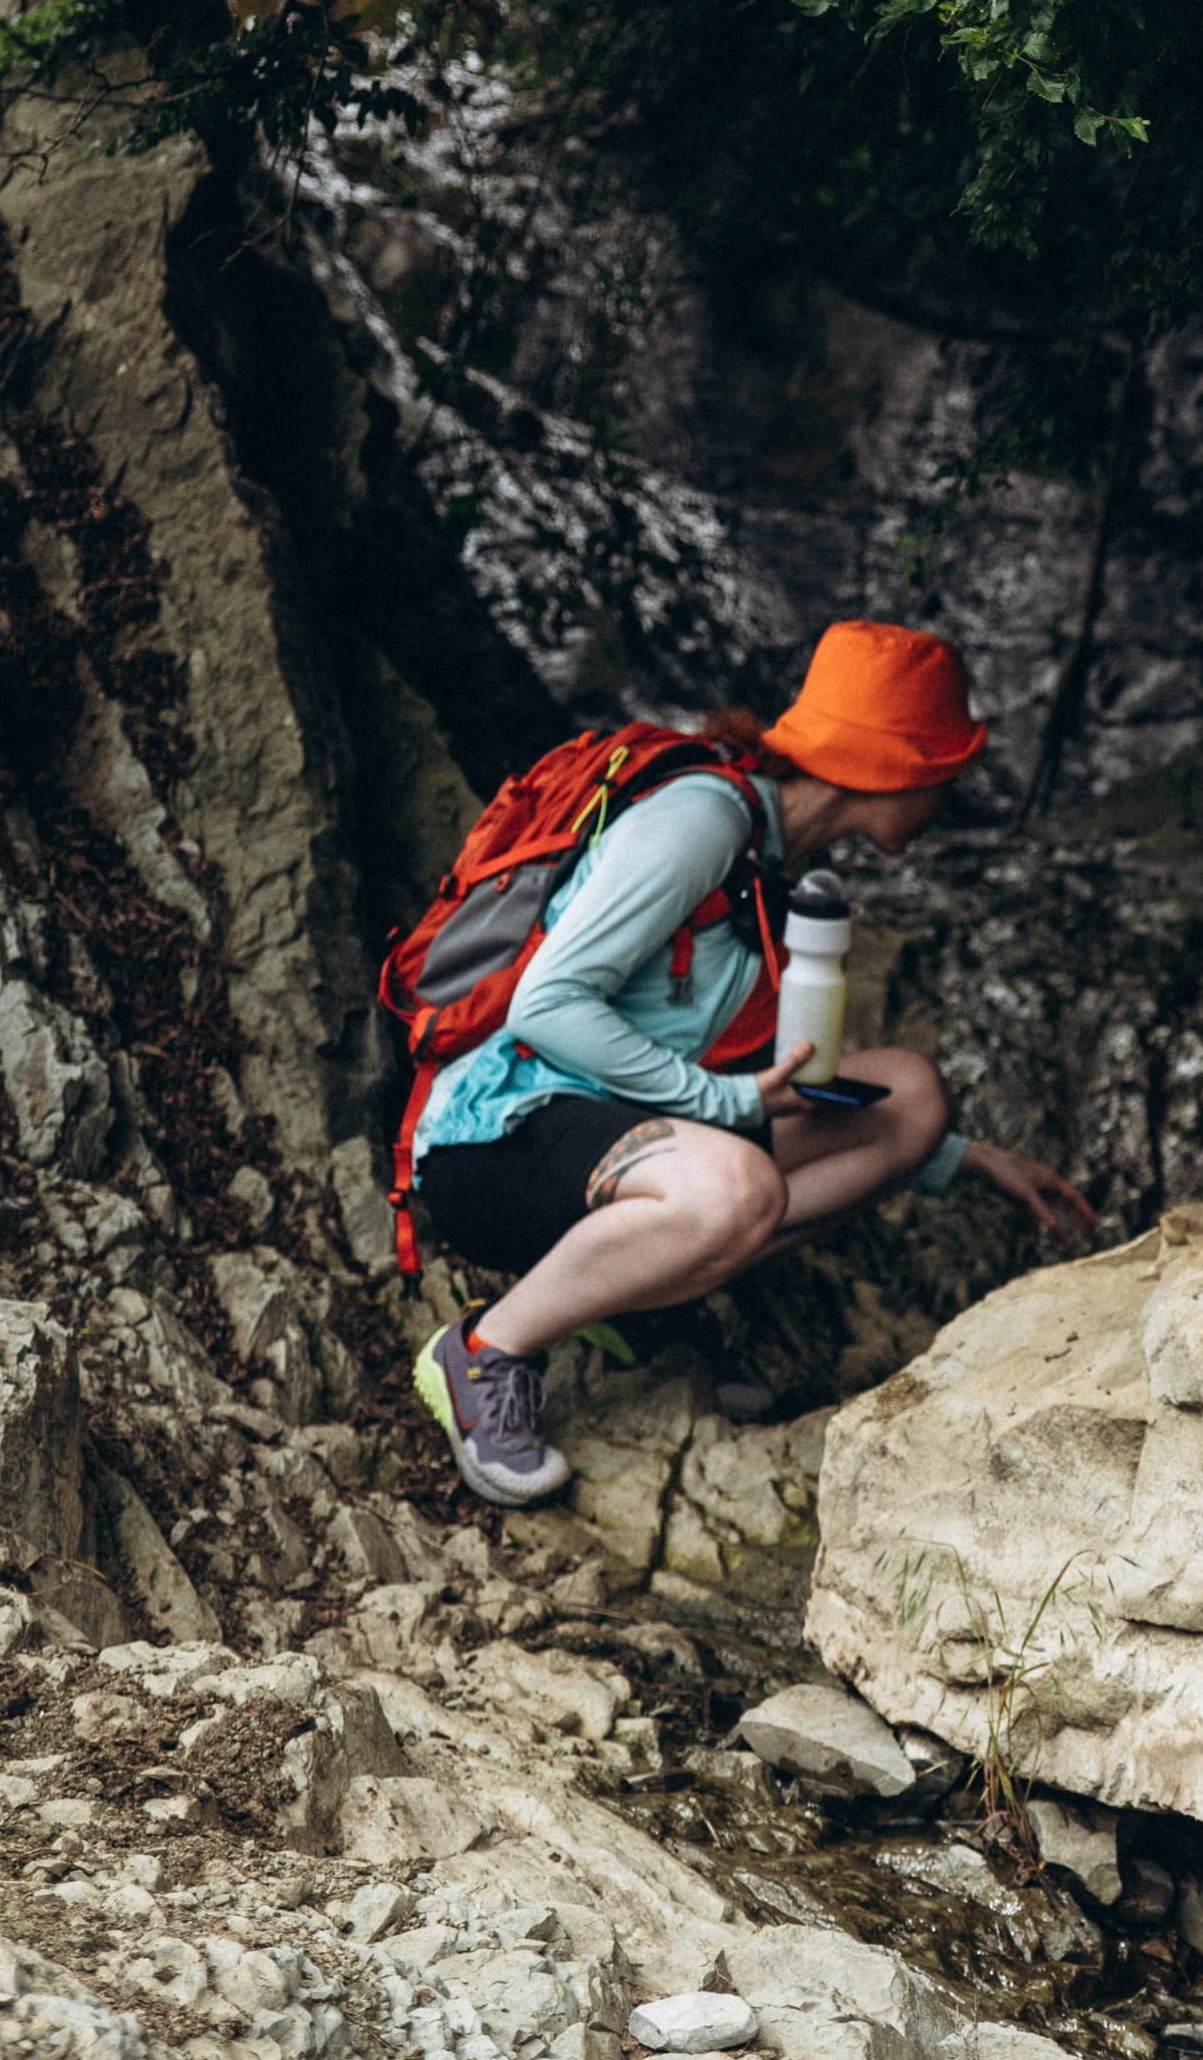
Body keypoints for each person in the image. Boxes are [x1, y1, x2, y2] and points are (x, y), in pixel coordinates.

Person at [407, 619, 1094, 1505]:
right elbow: (549, 1002)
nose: (955, 796)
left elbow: (786, 1088)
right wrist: (721, 1099)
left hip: (614, 1129)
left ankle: (635, 1292)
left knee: (914, 1100)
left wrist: (965, 1159)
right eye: (948, 771)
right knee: (736, 1187)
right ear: (899, 766)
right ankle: (484, 1353)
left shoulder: (775, 861)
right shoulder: (704, 819)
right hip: (497, 1137)